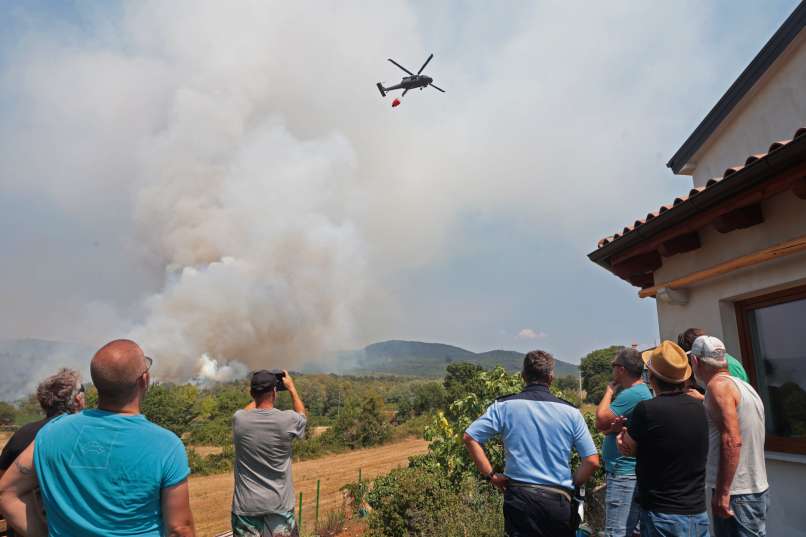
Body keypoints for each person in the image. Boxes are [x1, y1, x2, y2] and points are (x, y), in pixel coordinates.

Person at [0, 339, 195, 537]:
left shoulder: (51, 433)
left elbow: (6, 493)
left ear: (96, 383)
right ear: (144, 380)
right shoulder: (166, 445)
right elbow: (179, 529)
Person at [463, 350, 600, 537]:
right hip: (557, 502)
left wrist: (492, 475)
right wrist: (571, 484)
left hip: (520, 501)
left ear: (523, 376)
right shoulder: (571, 413)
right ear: (551, 378)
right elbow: (592, 461)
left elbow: (470, 437)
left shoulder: (503, 406)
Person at [618, 341, 709, 537]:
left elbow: (628, 446)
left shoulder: (647, 409)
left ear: (652, 377)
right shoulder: (700, 407)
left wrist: (623, 442)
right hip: (698, 511)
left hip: (662, 513)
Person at [690, 335, 768, 537]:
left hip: (736, 492)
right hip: (751, 489)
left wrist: (723, 492)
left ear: (696, 361)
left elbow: (732, 440)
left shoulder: (718, 387)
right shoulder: (742, 385)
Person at [0, 369, 85, 537]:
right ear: (78, 400)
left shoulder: (23, 434)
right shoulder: (84, 435)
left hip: (24, 526)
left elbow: (3, 478)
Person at [231, 370, 307, 537]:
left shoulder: (239, 420)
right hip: (279, 506)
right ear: (274, 392)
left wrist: (259, 394)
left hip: (246, 508)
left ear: (252, 393)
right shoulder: (287, 420)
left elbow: (247, 411)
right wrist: (291, 388)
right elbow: (302, 416)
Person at [596, 348, 652, 537]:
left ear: (621, 369)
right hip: (627, 473)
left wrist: (609, 391)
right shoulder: (639, 392)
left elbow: (600, 420)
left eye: (613, 367)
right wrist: (612, 429)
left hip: (623, 475)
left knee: (616, 532)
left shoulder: (632, 394)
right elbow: (606, 427)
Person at [678, 328, 748, 382]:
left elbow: (732, 397)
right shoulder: (717, 363)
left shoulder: (727, 365)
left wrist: (700, 397)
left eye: (690, 359)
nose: (693, 364)